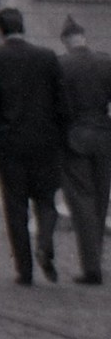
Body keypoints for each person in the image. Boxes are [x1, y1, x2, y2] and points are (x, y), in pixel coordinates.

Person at [0, 7, 67, 286]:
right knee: (47, 201)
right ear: (23, 27)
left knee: (15, 206)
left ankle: (24, 270)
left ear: (0, 30)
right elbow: (62, 103)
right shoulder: (47, 57)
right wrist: (57, 137)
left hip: (10, 145)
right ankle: (44, 242)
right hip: (45, 143)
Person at [57, 15, 111, 286]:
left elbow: (54, 108)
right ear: (84, 37)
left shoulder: (60, 64)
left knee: (82, 203)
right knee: (101, 201)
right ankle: (95, 258)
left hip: (74, 139)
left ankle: (91, 268)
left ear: (66, 40)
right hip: (103, 137)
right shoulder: (105, 61)